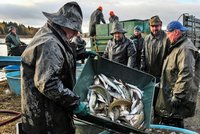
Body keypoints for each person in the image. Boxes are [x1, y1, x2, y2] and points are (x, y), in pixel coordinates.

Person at [21, 2, 90, 134]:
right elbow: (48, 83)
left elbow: (57, 58)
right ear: (64, 24)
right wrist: (75, 103)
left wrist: (79, 54)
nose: (76, 33)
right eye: (74, 29)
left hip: (47, 108)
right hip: (45, 117)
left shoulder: (51, 33)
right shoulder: (50, 42)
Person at [155, 21, 200, 128]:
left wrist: (178, 96)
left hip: (176, 98)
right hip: (171, 93)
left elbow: (186, 73)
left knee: (174, 124)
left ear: (176, 32)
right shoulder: (177, 45)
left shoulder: (184, 49)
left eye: (168, 33)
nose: (167, 36)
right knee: (169, 122)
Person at [140, 16, 170, 112]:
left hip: (161, 74)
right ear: (149, 26)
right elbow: (143, 55)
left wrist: (165, 75)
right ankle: (151, 115)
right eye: (152, 26)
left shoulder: (166, 38)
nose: (154, 28)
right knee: (149, 97)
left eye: (156, 26)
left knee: (161, 98)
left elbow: (170, 58)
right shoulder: (146, 38)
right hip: (149, 74)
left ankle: (159, 116)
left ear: (160, 25)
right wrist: (142, 68)